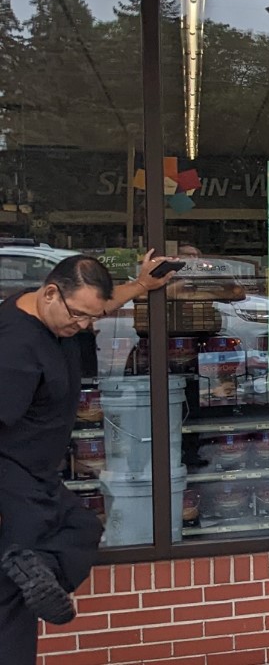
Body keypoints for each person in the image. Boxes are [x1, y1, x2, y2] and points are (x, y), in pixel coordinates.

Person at [0, 251, 174, 660]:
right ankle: (27, 569)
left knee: (81, 528)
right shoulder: (14, 349)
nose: (83, 326)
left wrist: (141, 286)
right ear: (50, 294)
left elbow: (96, 303)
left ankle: (36, 569)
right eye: (78, 317)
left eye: (90, 319)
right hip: (11, 477)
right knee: (9, 602)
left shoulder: (49, 309)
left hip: (38, 473)